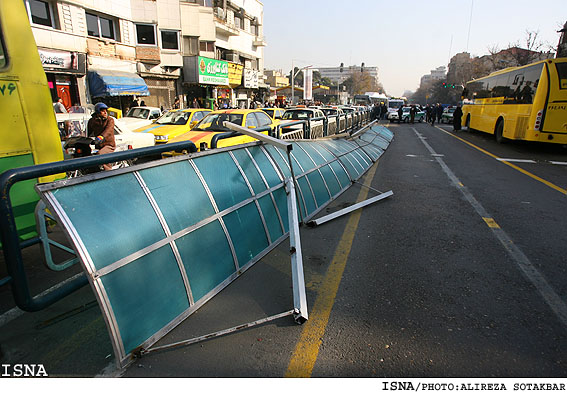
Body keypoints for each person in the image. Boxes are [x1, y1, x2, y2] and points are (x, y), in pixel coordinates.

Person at [87, 102, 116, 171]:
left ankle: (109, 171)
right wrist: (86, 139)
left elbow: (108, 130)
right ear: (98, 112)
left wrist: (101, 137)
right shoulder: (92, 121)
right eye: (103, 111)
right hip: (99, 145)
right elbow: (89, 132)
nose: (105, 112)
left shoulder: (110, 120)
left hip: (109, 145)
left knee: (100, 154)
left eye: (106, 110)